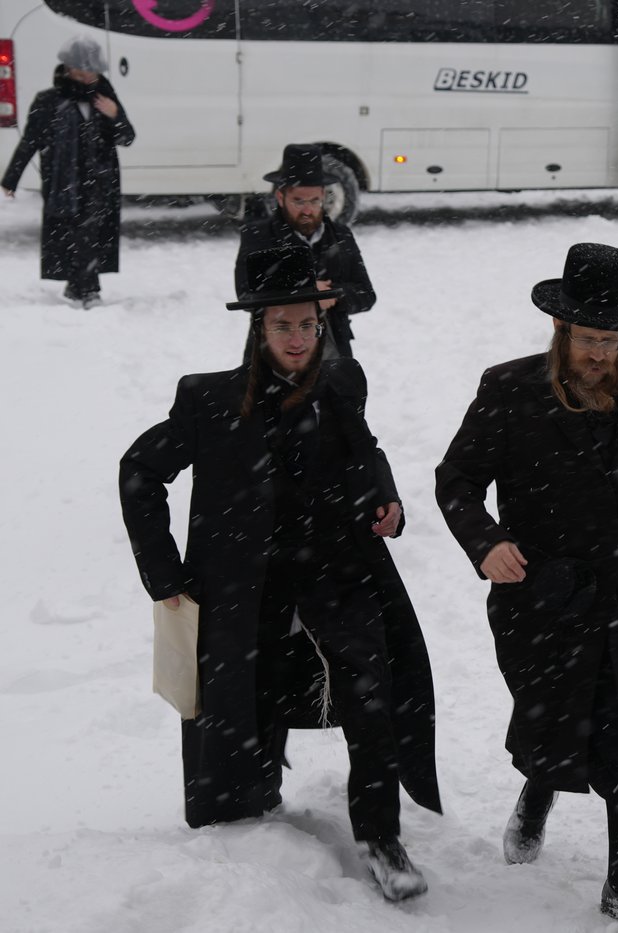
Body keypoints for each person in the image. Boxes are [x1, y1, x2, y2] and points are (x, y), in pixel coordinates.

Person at [118, 245, 440, 902]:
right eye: (282, 326)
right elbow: (140, 471)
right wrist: (165, 570)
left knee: (372, 696)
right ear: (258, 329)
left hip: (338, 575)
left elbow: (366, 450)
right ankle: (240, 817)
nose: (297, 338)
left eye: (307, 324)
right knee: (244, 711)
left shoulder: (341, 385)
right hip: (248, 589)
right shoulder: (209, 399)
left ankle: (381, 835)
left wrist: (387, 498)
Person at [435, 242, 618, 933]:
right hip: (542, 592)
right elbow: (457, 478)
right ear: (561, 331)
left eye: (612, 340)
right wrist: (487, 542)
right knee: (553, 716)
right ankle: (539, 786)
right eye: (589, 339)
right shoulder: (509, 390)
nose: (601, 354)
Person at [2, 36, 135, 309]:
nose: (88, 75)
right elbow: (30, 141)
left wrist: (115, 115)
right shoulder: (48, 101)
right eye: (82, 69)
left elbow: (127, 137)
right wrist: (11, 178)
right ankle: (86, 290)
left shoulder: (104, 98)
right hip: (64, 182)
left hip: (101, 180)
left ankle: (83, 289)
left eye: (93, 69)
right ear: (68, 68)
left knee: (90, 233)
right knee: (74, 233)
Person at [235, 143, 374, 358]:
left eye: (315, 200)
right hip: (272, 353)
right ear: (281, 198)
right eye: (298, 201)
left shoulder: (340, 234)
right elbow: (246, 295)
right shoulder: (258, 236)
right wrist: (306, 292)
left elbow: (366, 295)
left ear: (323, 196)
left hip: (333, 352)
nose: (308, 210)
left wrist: (334, 296)